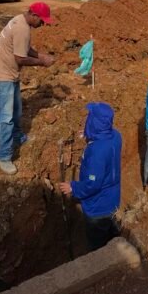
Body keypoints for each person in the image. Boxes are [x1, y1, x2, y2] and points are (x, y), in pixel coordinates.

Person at [0, 2, 56, 174]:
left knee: (16, 110)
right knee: (6, 117)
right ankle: (3, 156)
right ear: (34, 16)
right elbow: (20, 59)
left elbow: (23, 48)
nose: (42, 24)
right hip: (2, 77)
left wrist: (39, 55)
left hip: (7, 74)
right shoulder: (22, 29)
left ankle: (16, 136)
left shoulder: (20, 19)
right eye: (42, 21)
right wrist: (42, 62)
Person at [58, 102, 122, 251]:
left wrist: (73, 187)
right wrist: (89, 133)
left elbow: (92, 184)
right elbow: (104, 135)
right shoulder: (116, 136)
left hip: (98, 207)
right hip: (113, 198)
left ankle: (101, 260)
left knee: (97, 244)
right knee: (112, 235)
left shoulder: (96, 153)